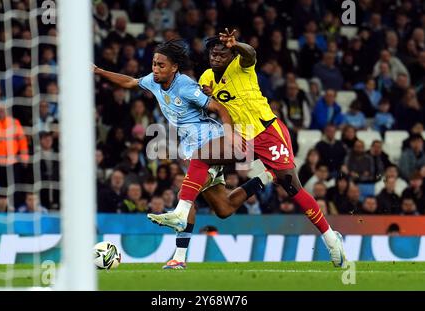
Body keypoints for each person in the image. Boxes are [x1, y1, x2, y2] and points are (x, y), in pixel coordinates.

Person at [162, 30, 345, 269]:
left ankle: (332, 240)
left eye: (222, 54)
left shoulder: (242, 64)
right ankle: (181, 210)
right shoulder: (206, 77)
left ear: (231, 56)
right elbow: (207, 107)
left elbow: (250, 53)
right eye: (213, 54)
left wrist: (237, 45)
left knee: (292, 187)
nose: (216, 58)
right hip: (240, 136)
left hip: (268, 133)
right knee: (201, 156)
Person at [94, 39, 274, 267]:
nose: (155, 69)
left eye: (161, 65)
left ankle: (179, 258)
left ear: (174, 68)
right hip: (192, 149)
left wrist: (228, 134)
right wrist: (98, 71)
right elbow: (130, 81)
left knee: (186, 194)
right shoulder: (153, 81)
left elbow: (218, 107)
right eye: (154, 64)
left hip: (210, 143)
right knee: (224, 208)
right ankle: (267, 176)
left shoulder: (186, 86)